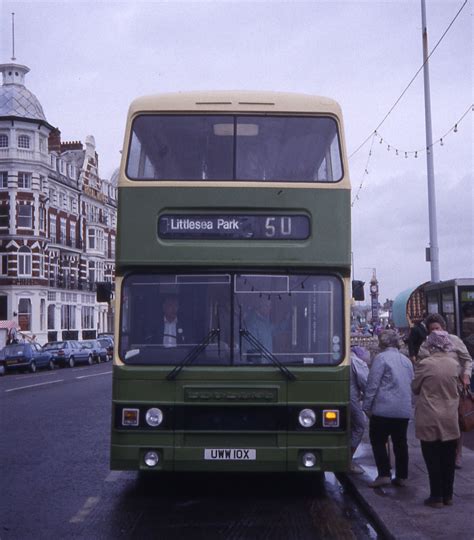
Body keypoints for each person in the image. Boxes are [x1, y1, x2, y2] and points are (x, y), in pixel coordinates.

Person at [412, 330, 460, 508]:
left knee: (432, 457)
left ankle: (436, 496)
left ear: (430, 345)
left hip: (430, 416)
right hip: (450, 415)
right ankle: (448, 495)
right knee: (449, 457)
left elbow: (415, 388)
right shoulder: (454, 364)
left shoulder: (425, 364)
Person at [417, 313, 472, 468]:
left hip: (455, 386)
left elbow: (467, 359)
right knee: (438, 421)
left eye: (437, 328)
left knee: (457, 421)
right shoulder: (426, 345)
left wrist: (466, 375)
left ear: (444, 328)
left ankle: (457, 454)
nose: (435, 332)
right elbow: (421, 365)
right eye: (432, 330)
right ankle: (441, 450)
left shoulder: (455, 341)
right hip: (434, 389)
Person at [362, 329, 414, 488]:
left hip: (383, 408)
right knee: (400, 443)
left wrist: (366, 406)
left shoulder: (381, 358)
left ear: (382, 343)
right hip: (403, 409)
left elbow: (372, 385)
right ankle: (402, 476)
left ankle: (384, 474)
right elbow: (411, 382)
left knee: (378, 440)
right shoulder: (406, 360)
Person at [349, 346, 370, 473]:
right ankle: (348, 460)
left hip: (346, 396)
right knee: (359, 426)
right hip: (352, 399)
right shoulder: (356, 361)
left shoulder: (348, 359)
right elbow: (365, 383)